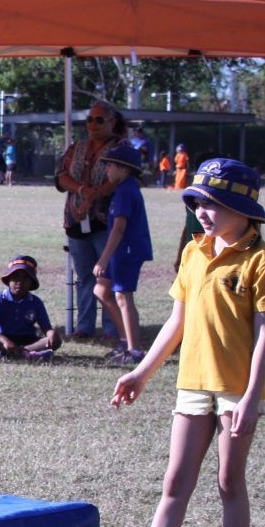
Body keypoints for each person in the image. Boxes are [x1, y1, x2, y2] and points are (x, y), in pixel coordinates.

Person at [110, 159, 265, 527]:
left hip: (235, 390)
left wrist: (250, 396)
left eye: (213, 204)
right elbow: (176, 322)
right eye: (198, 203)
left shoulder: (262, 260)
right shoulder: (193, 252)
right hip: (192, 384)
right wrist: (141, 372)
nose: (203, 212)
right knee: (175, 481)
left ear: (243, 209)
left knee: (229, 481)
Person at [54, 99, 128, 340]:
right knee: (84, 275)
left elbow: (120, 180)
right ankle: (84, 326)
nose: (92, 124)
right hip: (76, 222)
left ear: (112, 122)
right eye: (89, 119)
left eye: (99, 120)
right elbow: (61, 176)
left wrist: (93, 197)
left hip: (107, 221)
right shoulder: (77, 147)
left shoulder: (121, 147)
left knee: (108, 275)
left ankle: (111, 327)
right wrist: (83, 192)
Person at [94, 145, 154, 365]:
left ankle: (135, 350)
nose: (107, 169)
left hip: (126, 250)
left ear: (123, 168)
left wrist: (103, 258)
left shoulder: (126, 190)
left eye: (110, 165)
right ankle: (124, 340)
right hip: (119, 251)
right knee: (101, 290)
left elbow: (120, 227)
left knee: (123, 296)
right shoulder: (121, 189)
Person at [0, 255, 61, 361]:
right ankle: (26, 355)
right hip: (2, 340)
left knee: (56, 341)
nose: (20, 282)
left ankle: (12, 354)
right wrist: (5, 341)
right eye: (16, 277)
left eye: (25, 278)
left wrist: (51, 333)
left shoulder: (35, 302)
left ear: (31, 282)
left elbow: (46, 328)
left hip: (28, 341)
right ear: (8, 280)